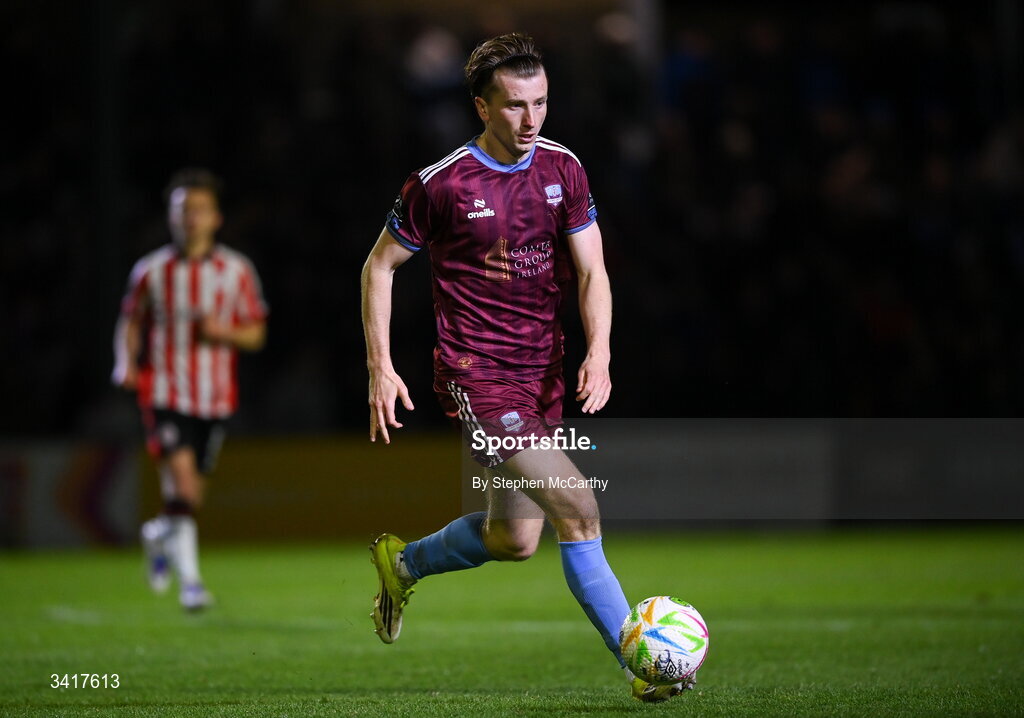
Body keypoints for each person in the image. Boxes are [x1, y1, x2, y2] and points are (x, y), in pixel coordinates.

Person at [361, 33, 693, 702]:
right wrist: (381, 367)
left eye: (541, 102)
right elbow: (378, 267)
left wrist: (598, 350)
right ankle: (642, 664)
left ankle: (402, 564)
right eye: (515, 106)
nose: (532, 119)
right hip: (477, 375)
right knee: (579, 508)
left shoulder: (563, 169)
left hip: (542, 372)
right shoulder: (441, 183)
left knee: (514, 537)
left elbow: (592, 269)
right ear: (482, 107)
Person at [112, 168, 267, 611]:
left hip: (214, 399)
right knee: (180, 484)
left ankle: (157, 535)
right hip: (163, 393)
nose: (190, 218)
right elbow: (130, 323)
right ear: (170, 216)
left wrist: (224, 332)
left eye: (198, 209)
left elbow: (256, 335)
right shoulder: (151, 270)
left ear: (215, 217)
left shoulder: (236, 270)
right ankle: (192, 585)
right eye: (182, 210)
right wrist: (125, 362)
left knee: (189, 497)